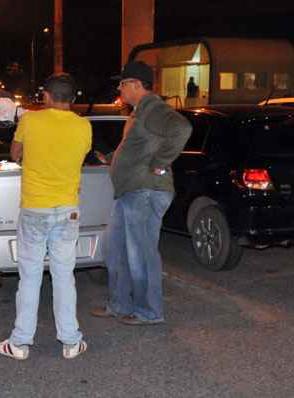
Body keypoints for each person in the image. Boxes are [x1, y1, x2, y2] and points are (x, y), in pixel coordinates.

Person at [0, 73, 91, 360]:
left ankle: (20, 342)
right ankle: (71, 341)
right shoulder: (84, 126)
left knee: (30, 277)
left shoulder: (30, 121)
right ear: (72, 98)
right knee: (64, 276)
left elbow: (15, 154)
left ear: (47, 96)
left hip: (35, 207)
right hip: (68, 209)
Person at [88, 61, 191, 325]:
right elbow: (136, 147)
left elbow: (181, 129)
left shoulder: (153, 108)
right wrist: (110, 158)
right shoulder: (138, 113)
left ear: (135, 84)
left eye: (122, 83)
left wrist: (159, 163)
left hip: (145, 191)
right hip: (129, 192)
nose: (119, 88)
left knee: (141, 254)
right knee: (115, 249)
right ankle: (120, 305)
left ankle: (149, 312)